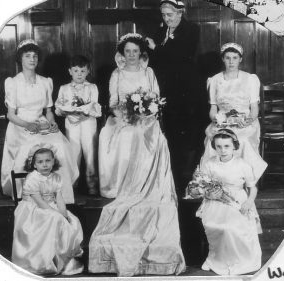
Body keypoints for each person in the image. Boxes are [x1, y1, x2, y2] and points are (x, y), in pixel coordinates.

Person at [89, 33, 185, 277]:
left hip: (146, 118)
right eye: (127, 51)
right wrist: (126, 114)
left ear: (141, 53)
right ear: (122, 54)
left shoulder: (149, 72)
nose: (131, 55)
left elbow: (155, 98)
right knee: (123, 135)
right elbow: (112, 101)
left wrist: (146, 111)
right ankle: (119, 185)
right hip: (122, 116)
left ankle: (147, 181)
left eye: (135, 51)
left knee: (151, 136)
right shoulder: (116, 74)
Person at [1, 39, 78, 203]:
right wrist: (28, 125)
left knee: (61, 145)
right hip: (20, 125)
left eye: (35, 56)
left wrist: (52, 123)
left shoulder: (45, 82)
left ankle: (60, 192)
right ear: (20, 58)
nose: (32, 59)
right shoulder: (13, 83)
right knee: (30, 148)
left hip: (41, 123)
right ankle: (28, 192)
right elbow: (10, 115)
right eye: (27, 56)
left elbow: (49, 111)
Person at [146, 0, 204, 193]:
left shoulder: (191, 29)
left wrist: (156, 49)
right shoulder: (161, 31)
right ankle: (170, 174)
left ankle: (183, 177)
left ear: (180, 13)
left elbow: (182, 55)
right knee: (169, 131)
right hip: (165, 88)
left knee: (184, 133)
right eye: (163, 15)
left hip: (185, 90)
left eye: (170, 15)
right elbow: (156, 59)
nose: (166, 18)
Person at [196, 129, 262, 275]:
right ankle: (216, 259)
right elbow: (202, 184)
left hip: (237, 201)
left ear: (234, 146)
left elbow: (253, 188)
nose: (223, 150)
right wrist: (209, 193)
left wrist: (249, 202)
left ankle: (239, 259)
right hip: (216, 200)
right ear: (214, 147)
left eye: (227, 146)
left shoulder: (242, 164)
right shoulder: (209, 163)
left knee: (231, 228)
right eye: (218, 146)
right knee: (214, 225)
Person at [11, 144, 84, 276]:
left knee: (72, 219)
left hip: (50, 205)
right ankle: (45, 261)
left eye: (48, 161)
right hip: (33, 209)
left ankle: (63, 258)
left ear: (53, 161)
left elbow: (59, 199)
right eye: (40, 162)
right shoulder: (32, 178)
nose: (44, 164)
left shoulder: (56, 177)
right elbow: (39, 202)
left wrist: (64, 214)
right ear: (34, 165)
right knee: (54, 219)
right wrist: (58, 215)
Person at [200, 42, 267, 183]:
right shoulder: (214, 80)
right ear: (223, 59)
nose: (231, 62)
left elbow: (254, 108)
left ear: (240, 59)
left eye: (235, 58)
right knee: (215, 138)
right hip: (222, 122)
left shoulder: (250, 79)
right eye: (228, 58)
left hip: (245, 123)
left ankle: (243, 179)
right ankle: (216, 179)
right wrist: (216, 120)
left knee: (240, 141)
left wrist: (248, 121)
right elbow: (213, 108)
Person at [55, 55, 102, 196]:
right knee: (73, 153)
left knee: (90, 153)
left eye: (82, 71)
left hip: (88, 123)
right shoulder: (64, 88)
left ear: (88, 71)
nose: (79, 74)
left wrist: (83, 114)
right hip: (71, 123)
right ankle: (73, 185)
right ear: (70, 71)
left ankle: (92, 185)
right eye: (76, 71)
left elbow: (93, 105)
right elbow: (58, 107)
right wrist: (67, 113)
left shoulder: (92, 87)